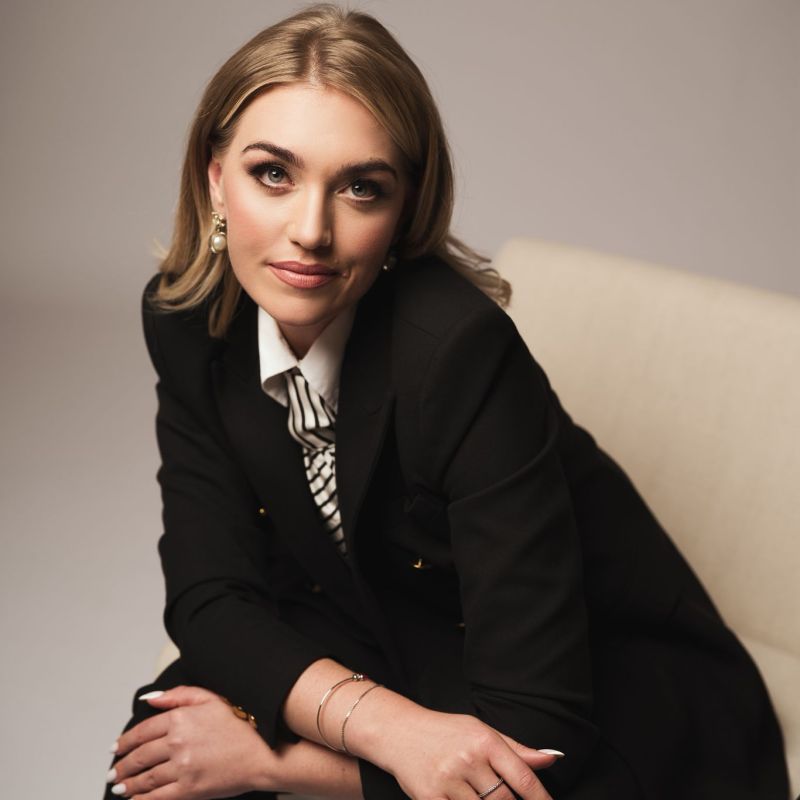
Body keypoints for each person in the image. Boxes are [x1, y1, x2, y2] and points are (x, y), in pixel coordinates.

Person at [102, 5, 790, 799]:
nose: (311, 231)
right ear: (216, 178)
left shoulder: (460, 350)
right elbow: (209, 596)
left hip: (607, 686)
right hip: (380, 616)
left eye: (361, 188)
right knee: (158, 751)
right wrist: (385, 725)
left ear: (404, 212)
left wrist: (275, 761)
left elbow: (538, 728)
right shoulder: (188, 320)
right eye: (274, 175)